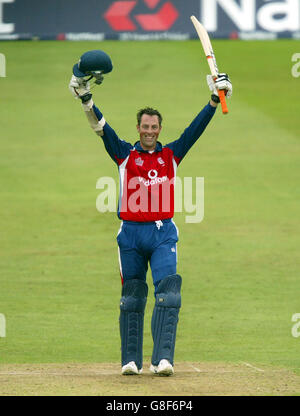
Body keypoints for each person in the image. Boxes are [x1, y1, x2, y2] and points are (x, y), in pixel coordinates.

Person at [69, 71, 232, 376]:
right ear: (138, 128)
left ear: (159, 129)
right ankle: (130, 361)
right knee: (132, 298)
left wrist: (213, 100)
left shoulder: (171, 154)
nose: (149, 131)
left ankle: (163, 360)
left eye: (154, 127)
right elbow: (101, 128)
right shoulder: (124, 154)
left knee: (168, 292)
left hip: (162, 234)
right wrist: (86, 99)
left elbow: (193, 132)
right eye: (145, 126)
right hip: (130, 234)